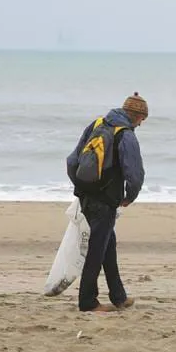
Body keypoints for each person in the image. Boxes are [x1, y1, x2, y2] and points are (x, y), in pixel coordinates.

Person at [66, 92, 147, 312]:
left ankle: (118, 297)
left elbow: (72, 160)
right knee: (97, 249)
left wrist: (81, 188)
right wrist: (130, 196)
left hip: (86, 195)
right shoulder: (126, 135)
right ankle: (87, 301)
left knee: (107, 244)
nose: (141, 124)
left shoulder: (97, 124)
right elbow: (135, 173)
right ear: (137, 116)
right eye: (142, 120)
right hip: (106, 199)